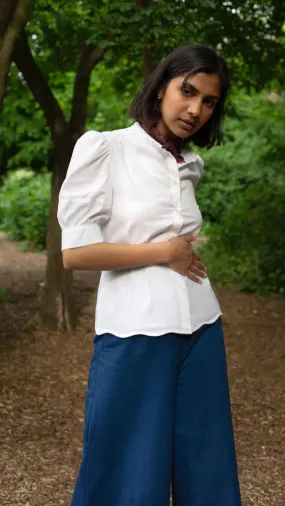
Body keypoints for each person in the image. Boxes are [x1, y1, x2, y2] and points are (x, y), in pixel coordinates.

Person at [57, 44, 242, 506]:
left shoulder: (189, 164)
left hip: (202, 327)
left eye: (209, 101)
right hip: (135, 330)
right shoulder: (106, 148)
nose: (196, 109)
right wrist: (165, 252)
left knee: (208, 466)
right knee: (127, 471)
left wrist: (179, 255)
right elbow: (75, 254)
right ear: (161, 87)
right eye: (188, 92)